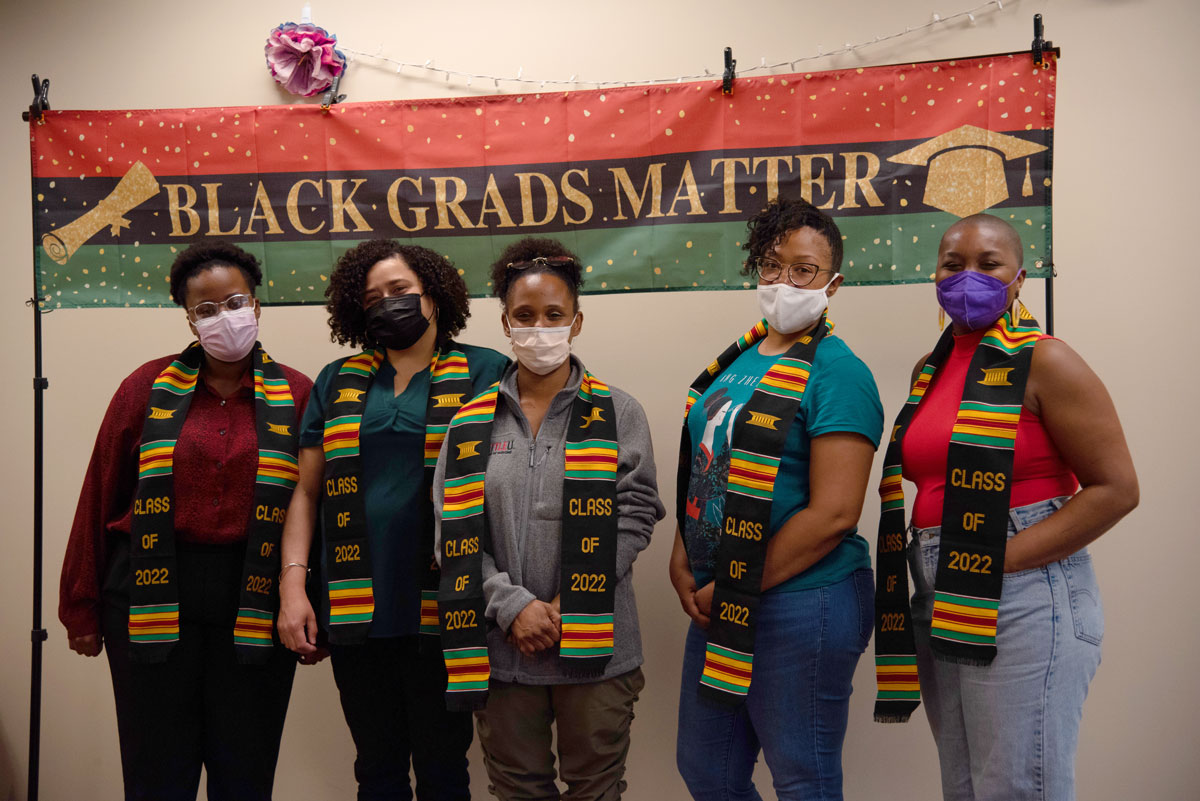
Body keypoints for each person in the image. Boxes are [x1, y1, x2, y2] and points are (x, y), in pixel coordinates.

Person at [872, 213, 1138, 801]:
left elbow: (1116, 489)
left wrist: (1000, 559)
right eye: (953, 265)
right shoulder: (929, 370)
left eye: (988, 265)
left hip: (1024, 585)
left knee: (1018, 788)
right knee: (967, 788)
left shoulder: (1047, 361)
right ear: (935, 276)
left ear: (1018, 278)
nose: (968, 277)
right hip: (938, 585)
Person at [59, 242, 312, 801]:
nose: (225, 317)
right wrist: (80, 604)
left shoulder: (297, 393)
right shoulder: (144, 389)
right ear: (189, 319)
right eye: (206, 308)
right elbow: (99, 495)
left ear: (258, 305)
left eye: (235, 301)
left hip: (254, 593)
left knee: (245, 769)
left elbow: (313, 504)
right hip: (149, 592)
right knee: (156, 771)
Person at [433, 236, 664, 801]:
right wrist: (512, 607)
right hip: (504, 651)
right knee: (517, 790)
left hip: (596, 652)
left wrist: (574, 600)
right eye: (525, 315)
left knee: (596, 788)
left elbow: (636, 513)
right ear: (506, 324)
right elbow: (451, 532)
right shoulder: (469, 423)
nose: (540, 327)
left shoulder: (618, 411)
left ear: (577, 321)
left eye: (554, 315)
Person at [277, 239, 508, 801]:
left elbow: (506, 485)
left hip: (442, 598)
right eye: (372, 296)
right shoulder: (336, 379)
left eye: (400, 291)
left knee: (443, 766)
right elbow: (308, 492)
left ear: (434, 295)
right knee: (375, 766)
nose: (387, 303)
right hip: (356, 600)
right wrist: (292, 584)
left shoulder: (487, 370)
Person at [670, 198, 883, 801]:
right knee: (707, 770)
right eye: (771, 265)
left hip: (802, 602)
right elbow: (704, 469)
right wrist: (683, 554)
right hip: (720, 596)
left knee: (802, 778)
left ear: (833, 284)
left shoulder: (839, 373)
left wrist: (733, 580)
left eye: (803, 269)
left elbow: (835, 513)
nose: (783, 281)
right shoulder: (735, 362)